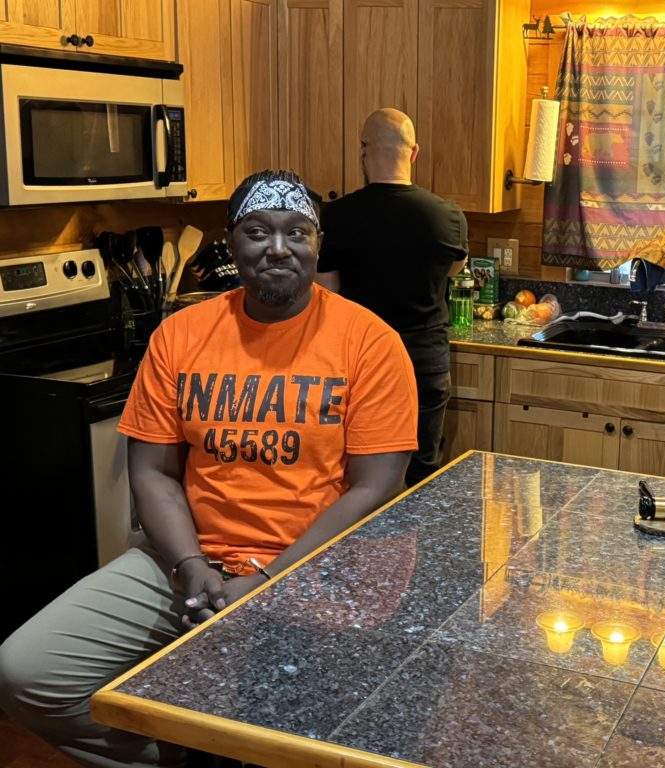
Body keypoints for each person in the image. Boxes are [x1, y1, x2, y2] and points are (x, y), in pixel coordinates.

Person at [0, 170, 419, 768]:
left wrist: (268, 580)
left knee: (288, 728)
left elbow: (375, 487)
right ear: (231, 242)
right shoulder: (182, 335)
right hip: (190, 558)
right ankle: (177, 757)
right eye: (258, 231)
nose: (278, 248)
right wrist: (190, 564)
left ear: (318, 243)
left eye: (297, 232)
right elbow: (153, 472)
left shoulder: (369, 343)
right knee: (28, 671)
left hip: (317, 569)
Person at [316, 108, 468, 488]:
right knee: (421, 471)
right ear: (414, 153)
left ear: (363, 151)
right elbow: (453, 269)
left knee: (361, 477)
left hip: (362, 364)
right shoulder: (448, 217)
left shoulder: (335, 217)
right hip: (424, 362)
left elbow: (328, 292)